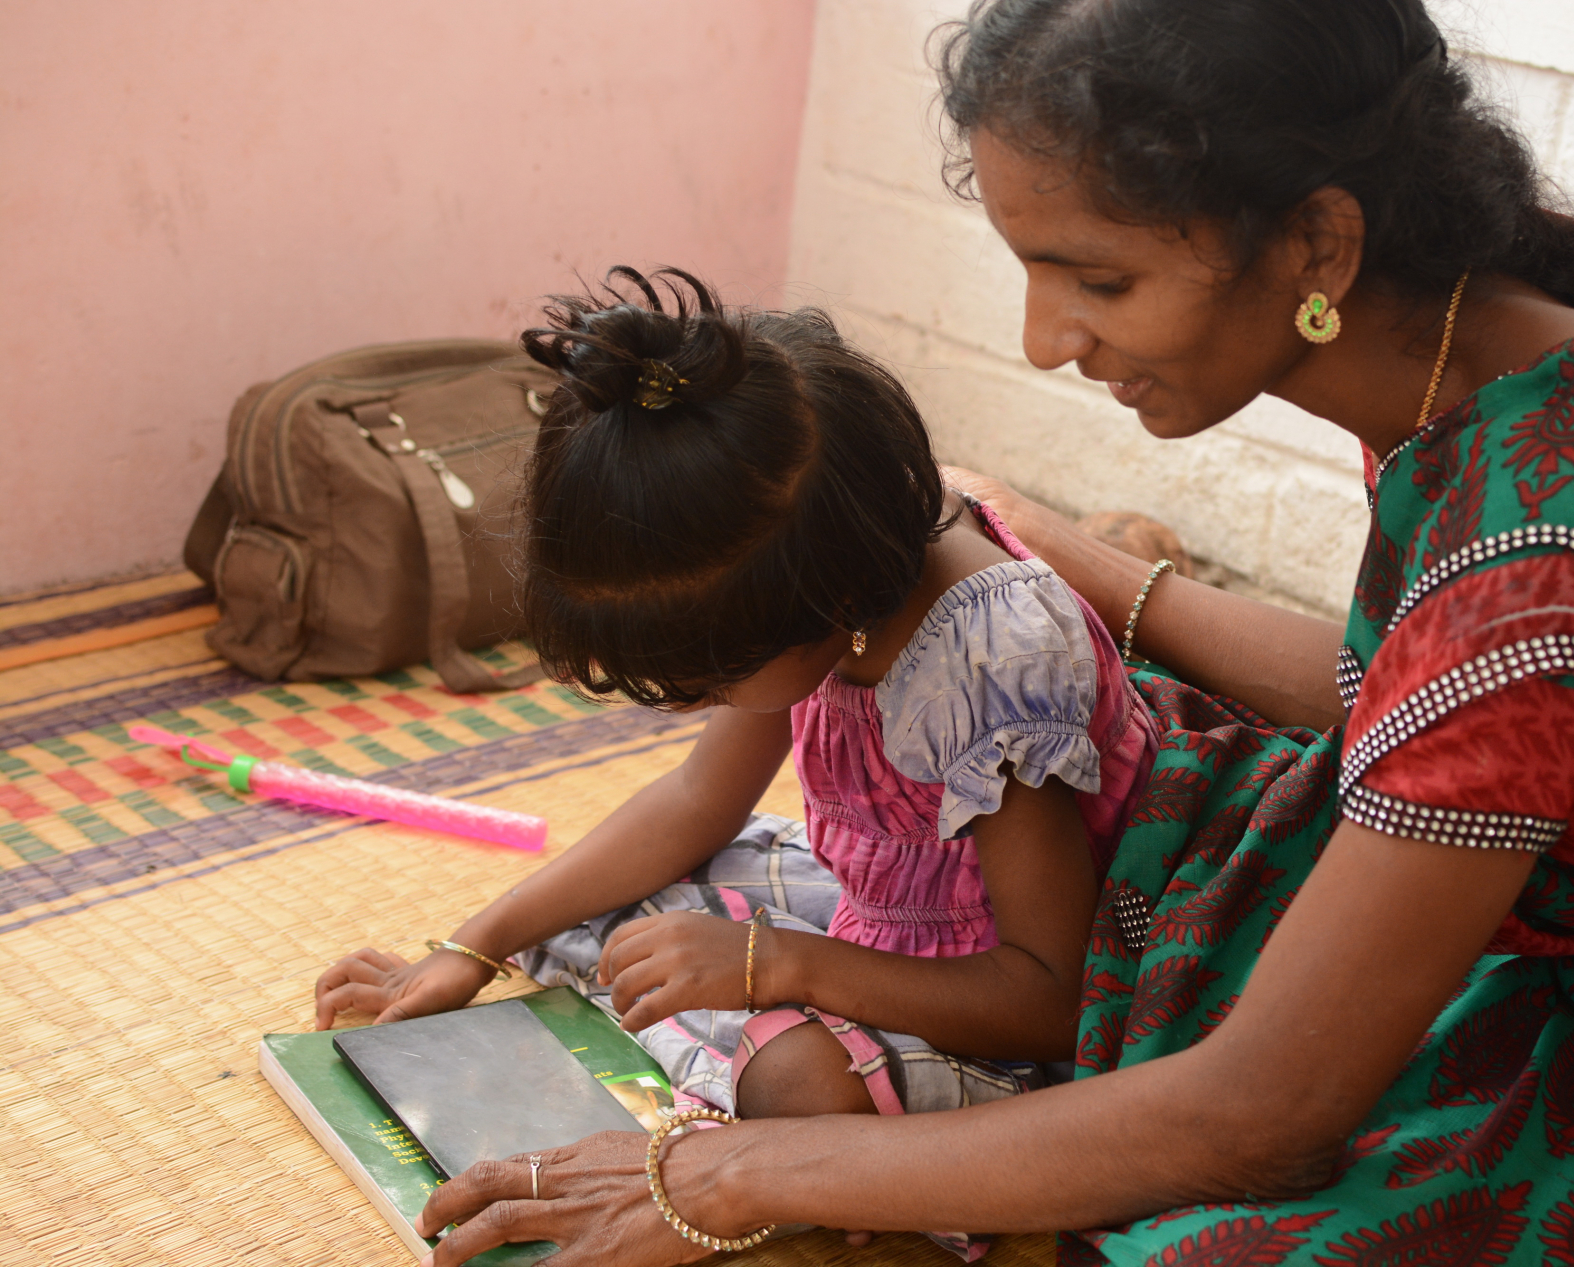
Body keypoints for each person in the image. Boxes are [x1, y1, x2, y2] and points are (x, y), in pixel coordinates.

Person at [412, 3, 1574, 1265]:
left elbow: (1263, 1111)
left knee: (1212, 1221)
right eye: (1035, 269)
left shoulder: (1546, 548)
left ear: (1316, 242)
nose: (1046, 340)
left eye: (1098, 278)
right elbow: (1426, 700)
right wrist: (1105, 581)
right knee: (1190, 883)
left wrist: (730, 1175)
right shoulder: (1516, 340)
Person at [312, 266, 1158, 1260]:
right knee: (617, 906)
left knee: (794, 1076)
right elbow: (694, 801)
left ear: (822, 607)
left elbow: (1054, 998)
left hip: (1026, 1012)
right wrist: (476, 942)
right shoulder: (827, 565)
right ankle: (731, 1061)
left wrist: (777, 966)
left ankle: (788, 1152)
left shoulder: (988, 658)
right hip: (884, 911)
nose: (705, 704)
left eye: (710, 680)